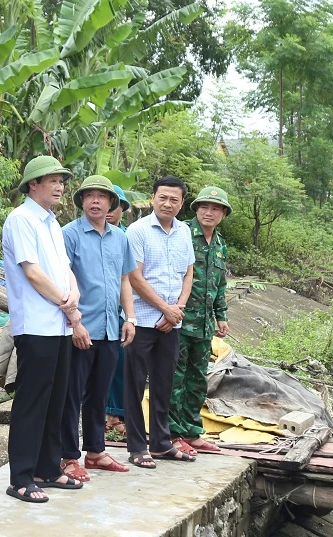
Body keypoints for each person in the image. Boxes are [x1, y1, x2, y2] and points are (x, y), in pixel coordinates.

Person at [2, 156, 83, 503]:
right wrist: (67, 304)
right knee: (32, 402)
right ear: (33, 184)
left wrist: (73, 294)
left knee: (56, 400)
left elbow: (64, 268)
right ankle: (20, 477)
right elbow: (32, 272)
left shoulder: (50, 221)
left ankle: (48, 468)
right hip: (36, 324)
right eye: (52, 180)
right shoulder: (21, 219)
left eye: (61, 181)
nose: (59, 186)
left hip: (60, 326)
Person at [59, 176, 137, 481]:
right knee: (72, 394)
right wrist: (74, 322)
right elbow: (62, 279)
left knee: (99, 394)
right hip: (81, 329)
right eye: (89, 196)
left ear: (111, 203)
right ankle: (68, 457)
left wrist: (129, 318)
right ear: (81, 202)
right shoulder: (70, 235)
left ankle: (95, 452)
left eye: (101, 197)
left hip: (110, 329)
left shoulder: (120, 238)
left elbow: (124, 280)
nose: (95, 201)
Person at [124, 176, 196, 468]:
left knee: (165, 384)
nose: (168, 203)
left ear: (181, 203)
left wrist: (176, 309)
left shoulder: (184, 232)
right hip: (141, 321)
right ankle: (137, 447)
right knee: (135, 384)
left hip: (172, 321)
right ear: (152, 198)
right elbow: (134, 277)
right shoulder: (137, 231)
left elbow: (188, 273)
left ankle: (162, 443)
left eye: (174, 199)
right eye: (162, 197)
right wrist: (164, 309)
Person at [168, 186, 232, 456]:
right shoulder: (181, 233)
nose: (209, 212)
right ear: (195, 209)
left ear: (223, 214)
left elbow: (219, 284)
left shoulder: (219, 243)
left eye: (216, 208)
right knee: (175, 378)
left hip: (204, 325)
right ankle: (171, 433)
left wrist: (221, 316)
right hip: (180, 321)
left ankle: (192, 431)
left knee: (197, 379)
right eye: (204, 207)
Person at [104, 184, 131, 436]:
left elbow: (129, 278)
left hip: (122, 312)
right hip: (94, 313)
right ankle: (106, 414)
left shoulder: (126, 237)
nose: (110, 210)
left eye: (116, 204)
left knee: (122, 365)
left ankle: (117, 413)